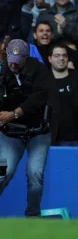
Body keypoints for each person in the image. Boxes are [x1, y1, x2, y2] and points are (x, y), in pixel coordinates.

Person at [0, 39, 57, 217]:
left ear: (26, 57)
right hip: (10, 132)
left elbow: (40, 97)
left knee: (35, 174)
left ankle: (32, 216)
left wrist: (14, 113)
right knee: (3, 173)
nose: (13, 64)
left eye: (18, 60)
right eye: (11, 59)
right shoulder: (2, 70)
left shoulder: (40, 70)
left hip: (37, 131)